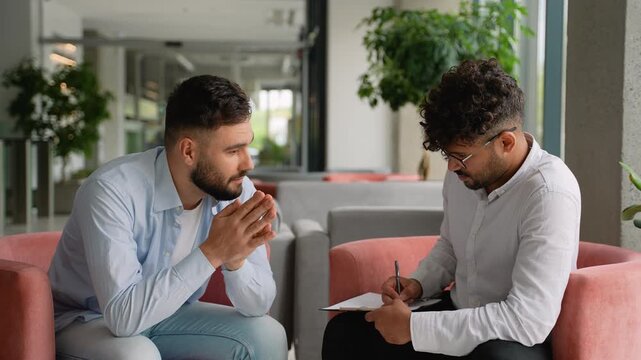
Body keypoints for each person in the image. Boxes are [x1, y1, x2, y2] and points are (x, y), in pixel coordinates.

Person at [322, 58, 581, 360]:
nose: (451, 166)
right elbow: (450, 245)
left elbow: (528, 320)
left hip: (515, 338)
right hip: (459, 312)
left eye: (460, 156)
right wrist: (419, 284)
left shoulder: (550, 192)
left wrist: (415, 328)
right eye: (447, 153)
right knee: (346, 331)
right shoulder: (464, 173)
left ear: (506, 142)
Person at [49, 75, 288, 360]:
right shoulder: (111, 190)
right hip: (88, 320)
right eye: (233, 151)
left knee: (268, 334)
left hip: (172, 314)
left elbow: (258, 305)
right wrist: (213, 251)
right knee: (137, 354)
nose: (248, 164)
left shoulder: (235, 190)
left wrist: (235, 260)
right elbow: (122, 318)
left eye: (246, 146)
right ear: (188, 151)